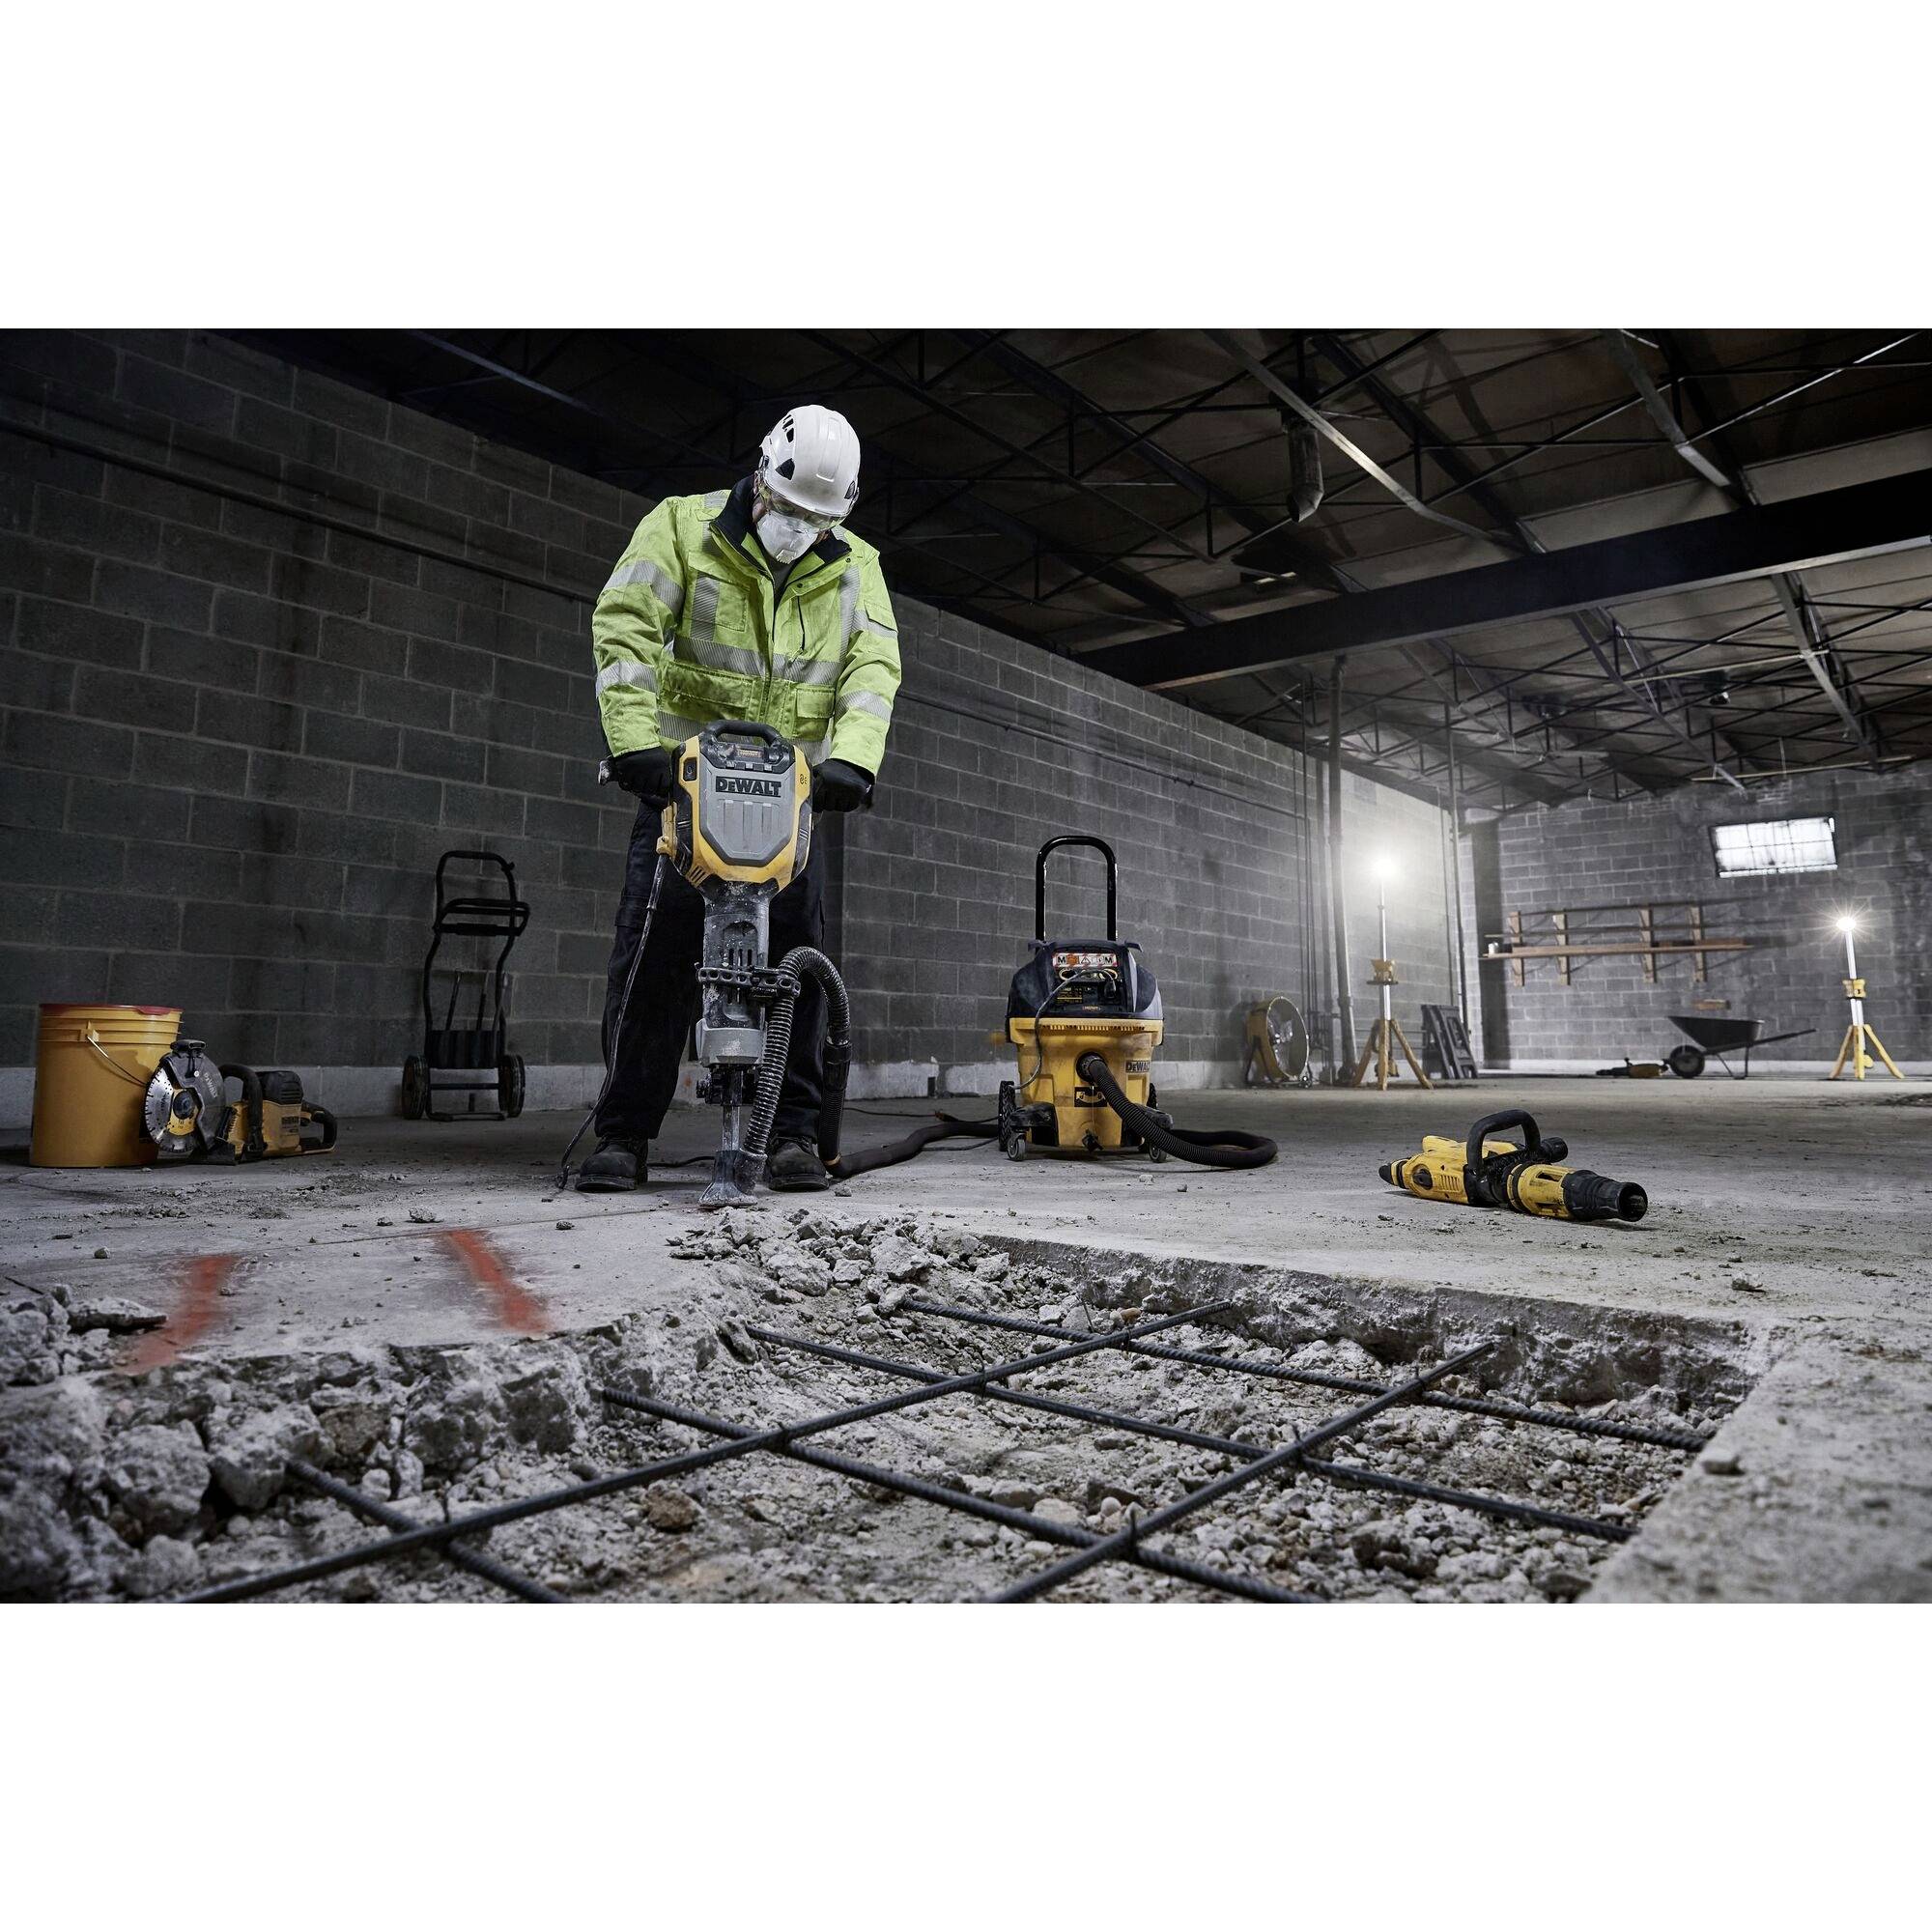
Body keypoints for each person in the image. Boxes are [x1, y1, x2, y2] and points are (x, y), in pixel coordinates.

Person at [578, 405, 900, 1193]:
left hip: (790, 806)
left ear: (841, 515)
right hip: (680, 798)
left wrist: (853, 763)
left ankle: (789, 1136)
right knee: (653, 965)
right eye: (789, 511)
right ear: (761, 478)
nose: (799, 528)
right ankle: (623, 1134)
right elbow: (625, 629)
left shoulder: (856, 565)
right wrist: (633, 748)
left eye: (817, 521)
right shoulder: (682, 529)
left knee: (795, 969)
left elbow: (873, 666)